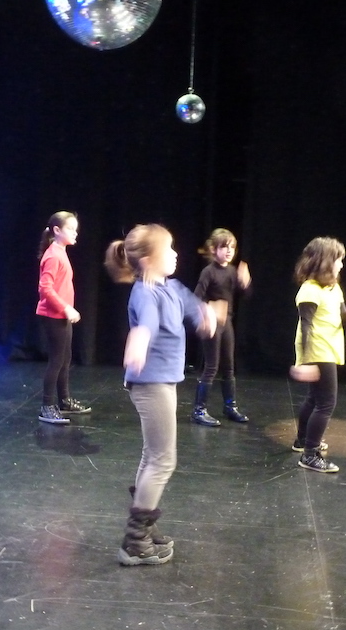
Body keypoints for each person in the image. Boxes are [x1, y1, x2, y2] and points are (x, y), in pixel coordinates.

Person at [105, 224, 215, 565]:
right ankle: (135, 541)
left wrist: (207, 316)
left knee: (152, 456)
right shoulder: (145, 293)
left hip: (164, 381)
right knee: (163, 460)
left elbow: (196, 308)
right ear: (149, 260)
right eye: (169, 249)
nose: (176, 254)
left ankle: (144, 527)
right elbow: (147, 323)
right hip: (150, 383)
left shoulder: (172, 287)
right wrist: (139, 340)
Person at [288, 237, 346, 473]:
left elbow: (341, 313)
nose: (341, 264)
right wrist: (306, 361)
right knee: (326, 403)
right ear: (325, 261)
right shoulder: (309, 290)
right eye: (338, 260)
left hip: (329, 348)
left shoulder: (334, 287)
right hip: (318, 350)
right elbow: (306, 326)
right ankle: (310, 455)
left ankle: (303, 440)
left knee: (314, 399)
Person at [190, 228, 252, 426]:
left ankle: (230, 406)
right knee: (211, 366)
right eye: (224, 247)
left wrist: (245, 282)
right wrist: (209, 309)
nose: (229, 250)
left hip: (227, 323)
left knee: (229, 366)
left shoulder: (232, 271)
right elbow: (196, 298)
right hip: (212, 323)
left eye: (232, 247)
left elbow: (246, 295)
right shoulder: (208, 272)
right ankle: (199, 410)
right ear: (213, 249)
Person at [36, 211, 89, 425]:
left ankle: (64, 401)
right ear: (57, 230)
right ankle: (47, 406)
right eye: (71, 229)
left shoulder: (60, 252)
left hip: (61, 315)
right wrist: (66, 308)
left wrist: (66, 309)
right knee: (56, 361)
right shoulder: (53, 256)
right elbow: (45, 289)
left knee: (65, 359)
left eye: (76, 229)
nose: (75, 233)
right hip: (53, 315)